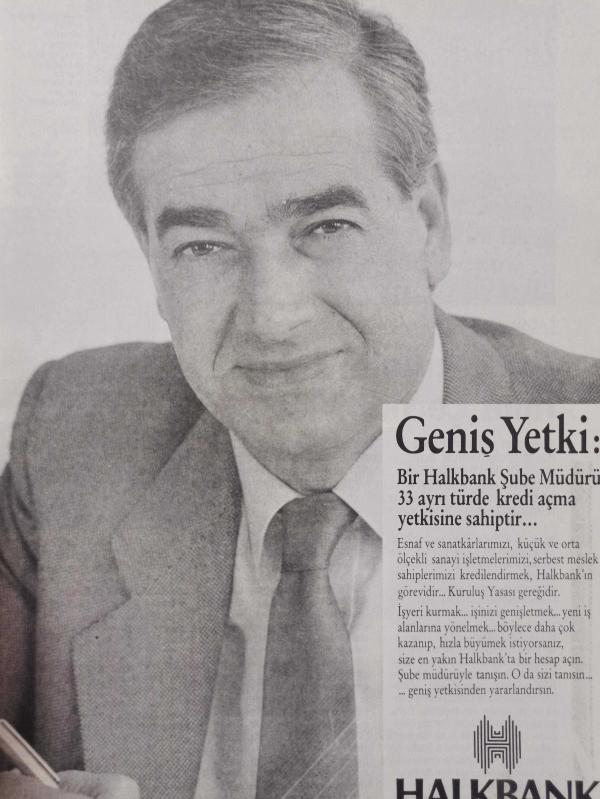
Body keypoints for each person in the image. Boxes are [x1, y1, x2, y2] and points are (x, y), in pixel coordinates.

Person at [1, 1, 599, 798]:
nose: (272, 315)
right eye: (203, 246)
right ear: (151, 262)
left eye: (325, 226)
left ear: (429, 223)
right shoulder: (76, 431)